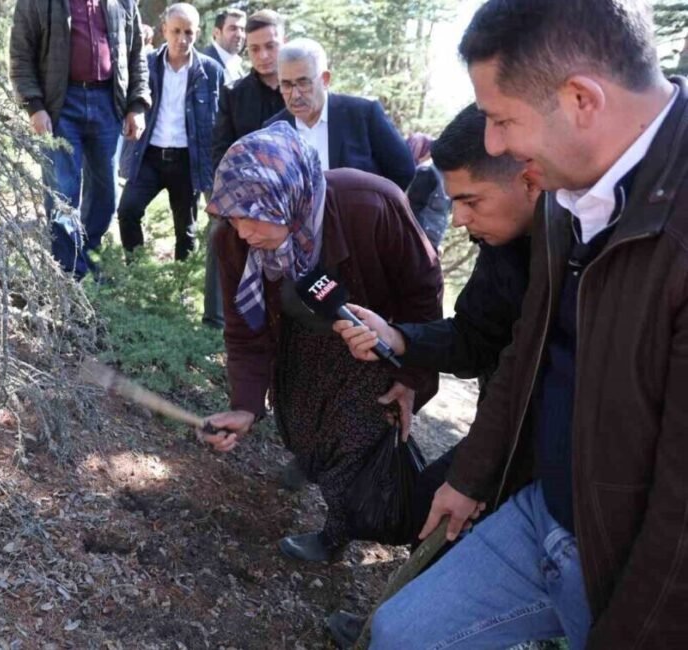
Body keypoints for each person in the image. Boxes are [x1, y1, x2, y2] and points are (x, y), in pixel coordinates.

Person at [371, 1, 688, 648]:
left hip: (621, 567)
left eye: (501, 119)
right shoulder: (565, 193)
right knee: (398, 633)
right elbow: (525, 351)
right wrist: (471, 475)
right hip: (541, 510)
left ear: (580, 99)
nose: (493, 145)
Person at [324, 104, 539, 650]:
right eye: (454, 201)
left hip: (552, 465)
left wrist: (477, 480)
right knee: (417, 508)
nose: (460, 220)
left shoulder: (598, 246)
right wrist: (399, 338)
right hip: (503, 436)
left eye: (470, 201)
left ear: (530, 178)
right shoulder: (504, 241)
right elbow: (475, 338)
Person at [198, 122, 442, 564]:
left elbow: (422, 293)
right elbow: (244, 331)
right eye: (230, 215)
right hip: (299, 339)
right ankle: (313, 461)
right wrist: (246, 405)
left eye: (252, 215)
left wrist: (412, 377)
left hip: (371, 344)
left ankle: (345, 535)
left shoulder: (371, 204)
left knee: (360, 444)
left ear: (288, 200)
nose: (240, 230)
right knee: (303, 426)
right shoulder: (234, 240)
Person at [9, 0, 151, 279]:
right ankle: (67, 276)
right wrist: (34, 106)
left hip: (109, 103)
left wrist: (137, 105)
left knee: (106, 195)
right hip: (60, 104)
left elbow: (137, 56)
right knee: (62, 193)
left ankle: (90, 264)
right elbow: (20, 54)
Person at [117, 4, 223, 261]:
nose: (182, 39)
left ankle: (181, 290)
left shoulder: (210, 71)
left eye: (188, 32)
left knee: (185, 232)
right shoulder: (147, 64)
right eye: (176, 31)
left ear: (197, 33)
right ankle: (136, 271)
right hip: (149, 155)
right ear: (164, 30)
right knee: (128, 210)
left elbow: (219, 121)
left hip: (187, 160)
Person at [203, 9, 287, 329]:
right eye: (254, 49)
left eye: (271, 46)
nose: (263, 56)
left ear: (284, 42)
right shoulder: (234, 93)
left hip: (295, 198)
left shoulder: (300, 88)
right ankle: (214, 323)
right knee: (221, 234)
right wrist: (234, 204)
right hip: (246, 198)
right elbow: (221, 152)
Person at [264, 38, 415, 190]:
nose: (295, 94)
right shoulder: (272, 130)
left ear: (325, 79)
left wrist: (375, 208)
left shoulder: (363, 115)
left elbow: (404, 171)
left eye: (303, 83)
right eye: (286, 85)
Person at [405, 132, 451, 250]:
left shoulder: (435, 173)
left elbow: (413, 210)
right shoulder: (430, 172)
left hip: (425, 241)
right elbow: (413, 210)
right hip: (421, 241)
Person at [201, 8, 246, 84]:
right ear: (217, 32)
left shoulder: (235, 62)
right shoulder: (204, 65)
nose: (239, 35)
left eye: (242, 29)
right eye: (233, 28)